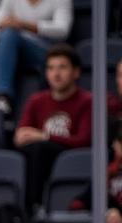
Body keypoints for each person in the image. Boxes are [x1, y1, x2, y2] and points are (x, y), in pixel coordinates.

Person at [13, 43, 92, 214]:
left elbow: (84, 140)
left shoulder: (87, 101)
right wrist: (30, 137)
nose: (56, 74)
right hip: (39, 153)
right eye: (51, 68)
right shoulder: (36, 100)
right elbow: (20, 135)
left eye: (62, 67)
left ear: (76, 72)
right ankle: (22, 210)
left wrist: (44, 136)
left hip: (71, 156)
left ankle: (34, 206)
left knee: (40, 148)